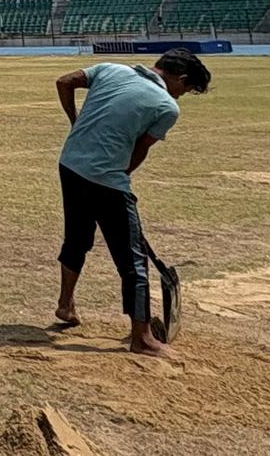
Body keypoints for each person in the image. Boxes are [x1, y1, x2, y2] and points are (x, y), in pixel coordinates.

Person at [53, 49, 211, 358]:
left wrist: (76, 122)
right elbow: (140, 150)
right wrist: (121, 179)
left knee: (77, 238)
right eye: (187, 90)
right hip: (107, 178)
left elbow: (64, 81)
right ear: (180, 79)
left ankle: (65, 304)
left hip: (70, 164)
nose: (181, 96)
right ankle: (142, 337)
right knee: (133, 260)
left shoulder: (110, 69)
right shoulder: (166, 106)